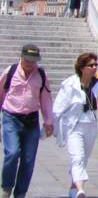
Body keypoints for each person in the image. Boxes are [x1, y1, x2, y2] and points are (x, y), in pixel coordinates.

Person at [53, 52, 98, 198]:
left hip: (90, 126)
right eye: (91, 65)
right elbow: (59, 106)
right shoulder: (70, 84)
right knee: (77, 158)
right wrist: (52, 124)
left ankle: (74, 189)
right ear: (82, 68)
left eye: (95, 65)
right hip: (75, 126)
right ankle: (81, 190)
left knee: (83, 158)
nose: (94, 67)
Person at [0, 44, 54, 198]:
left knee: (29, 159)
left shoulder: (41, 75)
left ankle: (20, 193)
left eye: (33, 61)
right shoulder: (10, 71)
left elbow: (46, 99)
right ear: (21, 57)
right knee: (12, 152)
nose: (30, 64)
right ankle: (6, 188)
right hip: (11, 117)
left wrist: (49, 121)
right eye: (27, 60)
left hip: (31, 120)